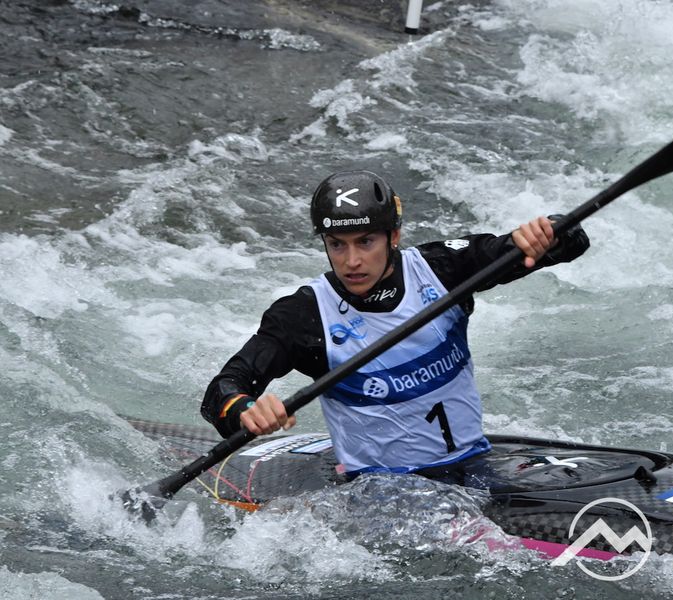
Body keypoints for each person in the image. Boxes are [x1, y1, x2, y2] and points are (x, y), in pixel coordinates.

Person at [201, 170, 589, 475]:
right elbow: (223, 390)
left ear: (394, 236)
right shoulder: (304, 315)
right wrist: (245, 409)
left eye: (365, 241)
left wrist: (549, 233)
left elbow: (571, 241)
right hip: (380, 486)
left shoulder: (443, 269)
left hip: (472, 461)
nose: (352, 261)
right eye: (337, 245)